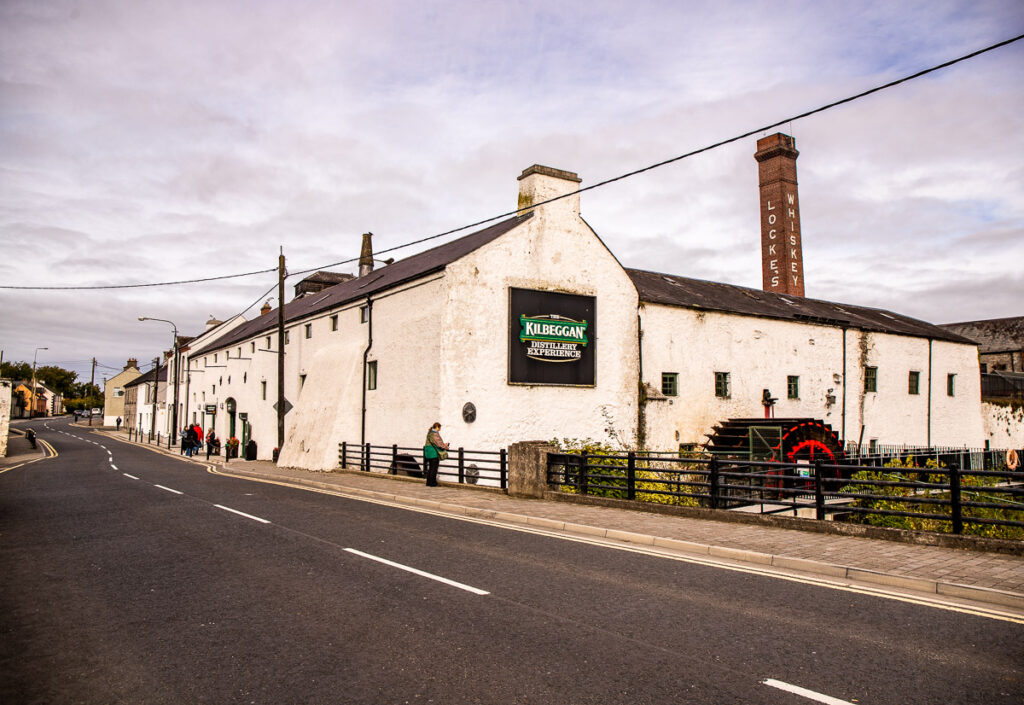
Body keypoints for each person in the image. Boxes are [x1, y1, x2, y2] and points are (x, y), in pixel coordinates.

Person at [422, 422, 448, 487]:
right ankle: (433, 483)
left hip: (428, 453)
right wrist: (446, 446)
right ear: (437, 427)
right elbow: (439, 444)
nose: (440, 429)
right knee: (434, 469)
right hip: (433, 454)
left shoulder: (429, 433)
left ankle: (428, 483)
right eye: (439, 427)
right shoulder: (435, 434)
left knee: (430, 468)